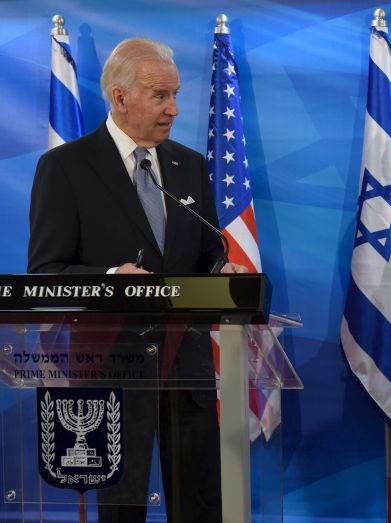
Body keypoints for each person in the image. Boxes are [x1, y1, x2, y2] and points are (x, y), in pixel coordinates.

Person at [28, 37, 247, 522]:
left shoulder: (189, 165)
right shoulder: (65, 167)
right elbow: (45, 273)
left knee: (202, 506)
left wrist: (222, 272)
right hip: (114, 370)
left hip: (186, 369)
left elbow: (208, 254)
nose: (173, 109)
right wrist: (112, 279)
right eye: (160, 95)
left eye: (175, 94)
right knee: (122, 511)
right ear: (120, 96)